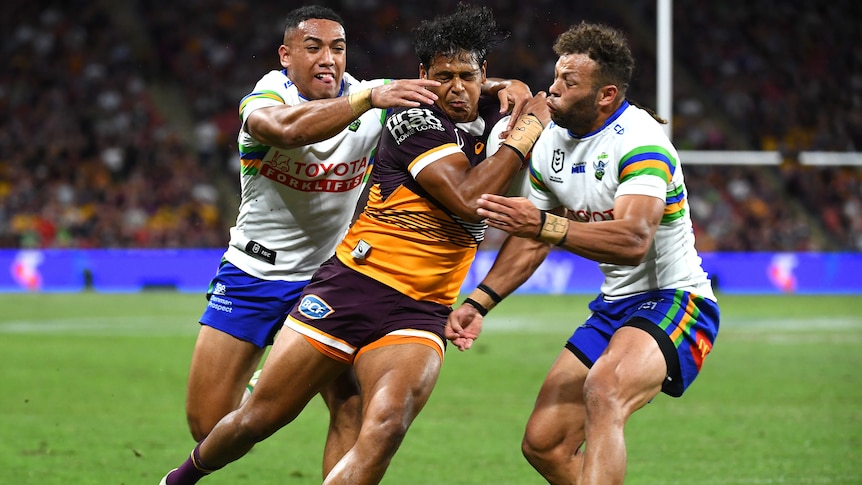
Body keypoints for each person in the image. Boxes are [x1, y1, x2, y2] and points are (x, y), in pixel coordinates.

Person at [159, 4, 549, 484]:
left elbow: (451, 83)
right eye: (314, 47)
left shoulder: (379, 98)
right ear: (286, 56)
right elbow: (284, 129)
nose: (329, 58)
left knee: (355, 409)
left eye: (338, 48)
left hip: (335, 274)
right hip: (255, 273)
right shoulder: (271, 98)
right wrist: (370, 100)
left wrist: (504, 85)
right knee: (210, 424)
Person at [446, 21, 720, 485]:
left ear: (606, 95)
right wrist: (479, 301)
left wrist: (545, 224)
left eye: (568, 83)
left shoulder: (641, 142)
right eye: (555, 77)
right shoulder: (549, 140)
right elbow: (532, 237)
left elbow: (634, 241)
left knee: (605, 389)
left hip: (676, 301)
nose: (552, 90)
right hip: (614, 306)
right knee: (545, 444)